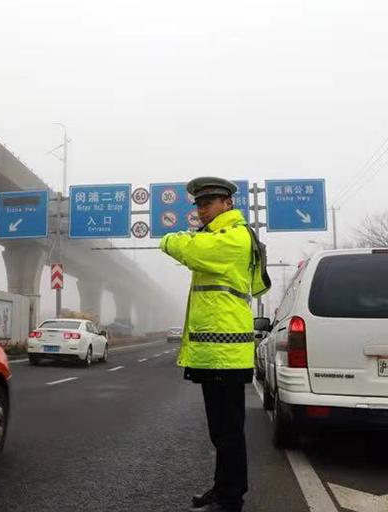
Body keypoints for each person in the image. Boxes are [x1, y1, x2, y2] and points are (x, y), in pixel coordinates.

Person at [160, 177, 269, 512]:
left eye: (208, 203)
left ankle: (231, 498)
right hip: (216, 354)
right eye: (198, 205)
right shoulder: (218, 236)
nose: (201, 210)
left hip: (226, 354)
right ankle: (223, 490)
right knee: (221, 432)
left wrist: (172, 237)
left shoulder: (234, 237)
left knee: (228, 433)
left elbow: (186, 248)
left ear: (228, 203)